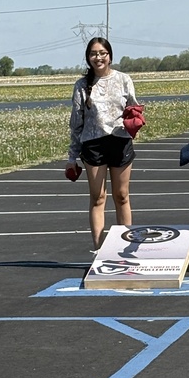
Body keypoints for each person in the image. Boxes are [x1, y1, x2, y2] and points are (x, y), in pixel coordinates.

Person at [66, 37, 139, 249]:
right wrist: (72, 157)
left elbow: (133, 108)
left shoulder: (124, 79)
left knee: (122, 195)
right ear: (88, 58)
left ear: (110, 56)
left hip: (120, 141)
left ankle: (127, 245)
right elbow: (76, 124)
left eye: (102, 53)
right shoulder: (81, 85)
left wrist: (135, 121)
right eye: (93, 54)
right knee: (98, 197)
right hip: (93, 145)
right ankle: (98, 247)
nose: (98, 58)